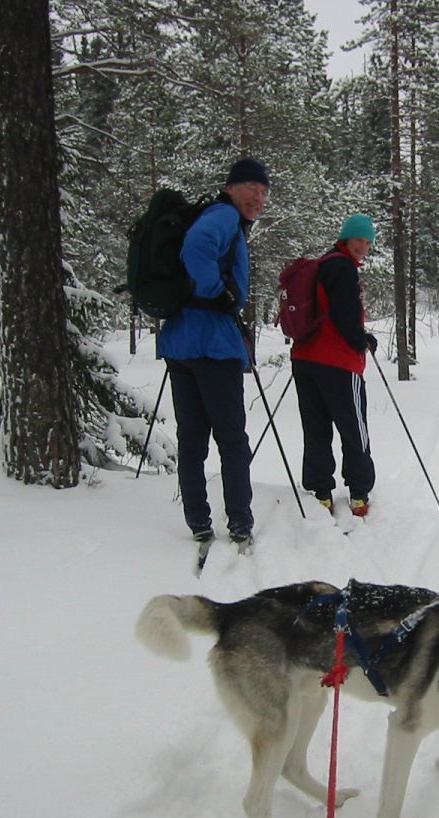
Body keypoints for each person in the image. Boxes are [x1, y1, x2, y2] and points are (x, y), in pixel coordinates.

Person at [158, 158, 269, 554]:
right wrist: (218, 293)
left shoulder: (216, 215)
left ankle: (199, 522)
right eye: (251, 188)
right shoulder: (223, 216)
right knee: (232, 440)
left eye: (263, 192)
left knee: (192, 439)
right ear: (231, 187)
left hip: (181, 343)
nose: (258, 197)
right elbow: (197, 248)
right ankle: (239, 522)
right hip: (212, 346)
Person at [291, 213, 379, 517]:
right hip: (338, 362)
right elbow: (344, 314)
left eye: (367, 242)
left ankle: (321, 494)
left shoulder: (321, 265)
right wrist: (361, 341)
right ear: (345, 238)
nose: (363, 247)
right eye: (358, 240)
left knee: (315, 428)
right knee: (354, 429)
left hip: (305, 359)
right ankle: (359, 493)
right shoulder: (343, 268)